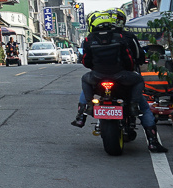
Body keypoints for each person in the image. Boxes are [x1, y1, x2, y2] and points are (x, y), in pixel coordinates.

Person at [71, 10, 167, 153]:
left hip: (98, 77)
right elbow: (130, 59)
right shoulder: (123, 37)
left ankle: (82, 114)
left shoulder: (89, 39)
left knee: (86, 81)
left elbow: (86, 61)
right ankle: (152, 140)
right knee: (144, 105)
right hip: (122, 77)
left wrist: (96, 69)